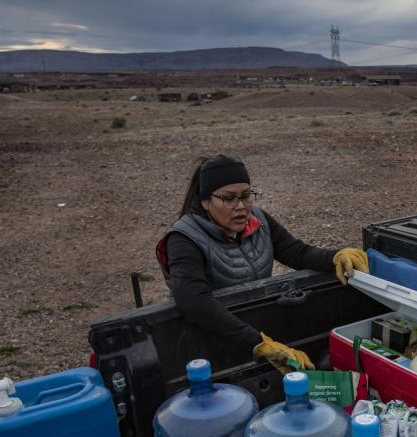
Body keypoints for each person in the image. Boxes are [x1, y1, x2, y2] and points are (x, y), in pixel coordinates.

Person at [156, 155, 368, 372]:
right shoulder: (184, 238)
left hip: (255, 329)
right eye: (229, 199)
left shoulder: (258, 220)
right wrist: (259, 343)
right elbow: (193, 299)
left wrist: (335, 257)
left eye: (246, 196)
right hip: (212, 341)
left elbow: (295, 252)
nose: (241, 206)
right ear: (205, 201)